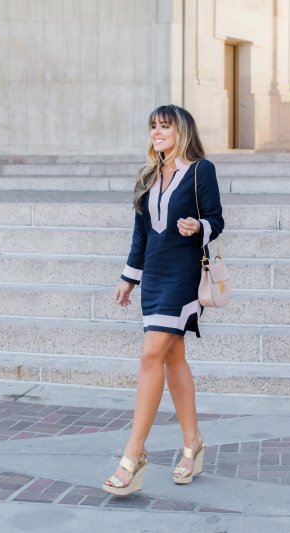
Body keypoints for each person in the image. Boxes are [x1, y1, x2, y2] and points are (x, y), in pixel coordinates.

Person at [102, 105, 224, 496]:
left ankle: (133, 454)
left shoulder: (201, 171)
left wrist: (198, 226)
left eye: (164, 127)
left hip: (184, 276)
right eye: (153, 127)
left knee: (150, 354)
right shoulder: (148, 175)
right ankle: (193, 444)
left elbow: (217, 219)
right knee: (172, 356)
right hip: (154, 276)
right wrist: (128, 278)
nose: (157, 132)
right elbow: (141, 234)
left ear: (181, 131)